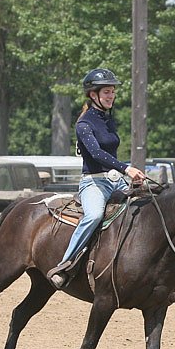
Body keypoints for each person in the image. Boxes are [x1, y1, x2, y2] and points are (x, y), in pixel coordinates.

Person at [47, 68, 145, 289]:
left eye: (112, 91)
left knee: (145, 205)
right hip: (93, 181)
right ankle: (65, 265)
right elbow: (97, 154)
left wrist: (132, 177)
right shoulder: (84, 124)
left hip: (115, 181)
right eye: (107, 92)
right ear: (93, 95)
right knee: (94, 215)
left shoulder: (108, 120)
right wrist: (126, 169)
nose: (112, 96)